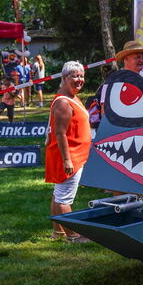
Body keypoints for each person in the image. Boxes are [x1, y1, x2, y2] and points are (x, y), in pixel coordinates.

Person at [45, 61, 91, 243]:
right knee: (65, 197)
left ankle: (58, 232)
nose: (79, 80)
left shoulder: (71, 97)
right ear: (64, 78)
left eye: (81, 76)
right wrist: (67, 161)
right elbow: (60, 133)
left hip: (74, 154)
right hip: (71, 156)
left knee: (59, 194)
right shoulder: (64, 102)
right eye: (75, 76)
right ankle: (73, 235)